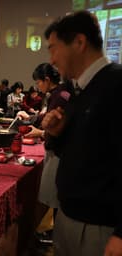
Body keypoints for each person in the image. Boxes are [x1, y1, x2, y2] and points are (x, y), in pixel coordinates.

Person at [41, 10, 122, 256]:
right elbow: (75, 152)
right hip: (69, 218)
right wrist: (55, 134)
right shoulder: (80, 90)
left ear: (79, 42)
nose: (52, 60)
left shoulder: (116, 84)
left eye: (54, 48)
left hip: (100, 227)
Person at [23, 63, 71, 245]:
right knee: (55, 197)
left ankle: (56, 235)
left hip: (58, 152)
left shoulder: (60, 95)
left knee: (56, 197)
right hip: (57, 150)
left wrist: (40, 133)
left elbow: (57, 126)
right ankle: (55, 232)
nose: (38, 87)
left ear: (47, 80)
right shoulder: (59, 93)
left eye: (38, 82)